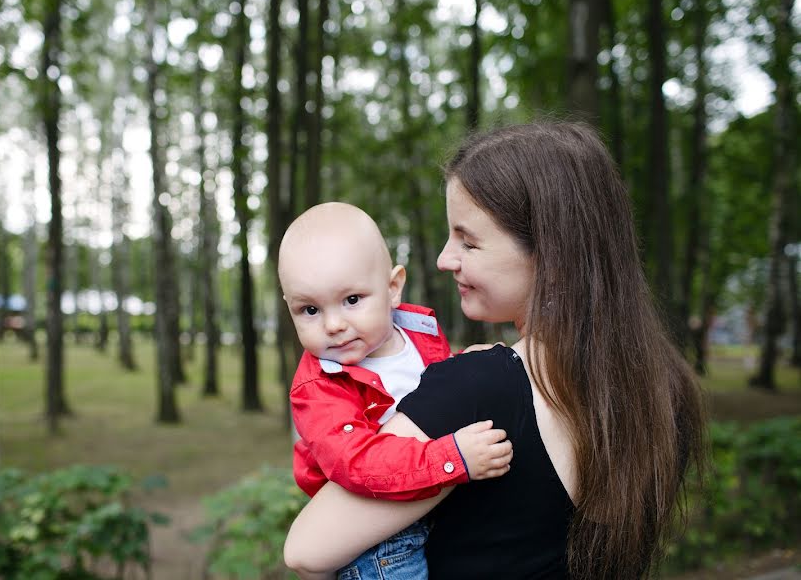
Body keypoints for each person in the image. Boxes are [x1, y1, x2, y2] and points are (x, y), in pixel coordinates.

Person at [283, 122, 706, 579]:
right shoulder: (666, 385)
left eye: (468, 240)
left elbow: (306, 550)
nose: (446, 258)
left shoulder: (481, 389)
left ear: (550, 252)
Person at [278, 202, 513, 580]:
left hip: (433, 514)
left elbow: (433, 387)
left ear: (392, 287)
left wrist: (466, 361)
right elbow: (357, 464)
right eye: (309, 310)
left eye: (352, 300)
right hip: (379, 547)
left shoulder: (418, 334)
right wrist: (451, 460)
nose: (334, 324)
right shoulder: (320, 389)